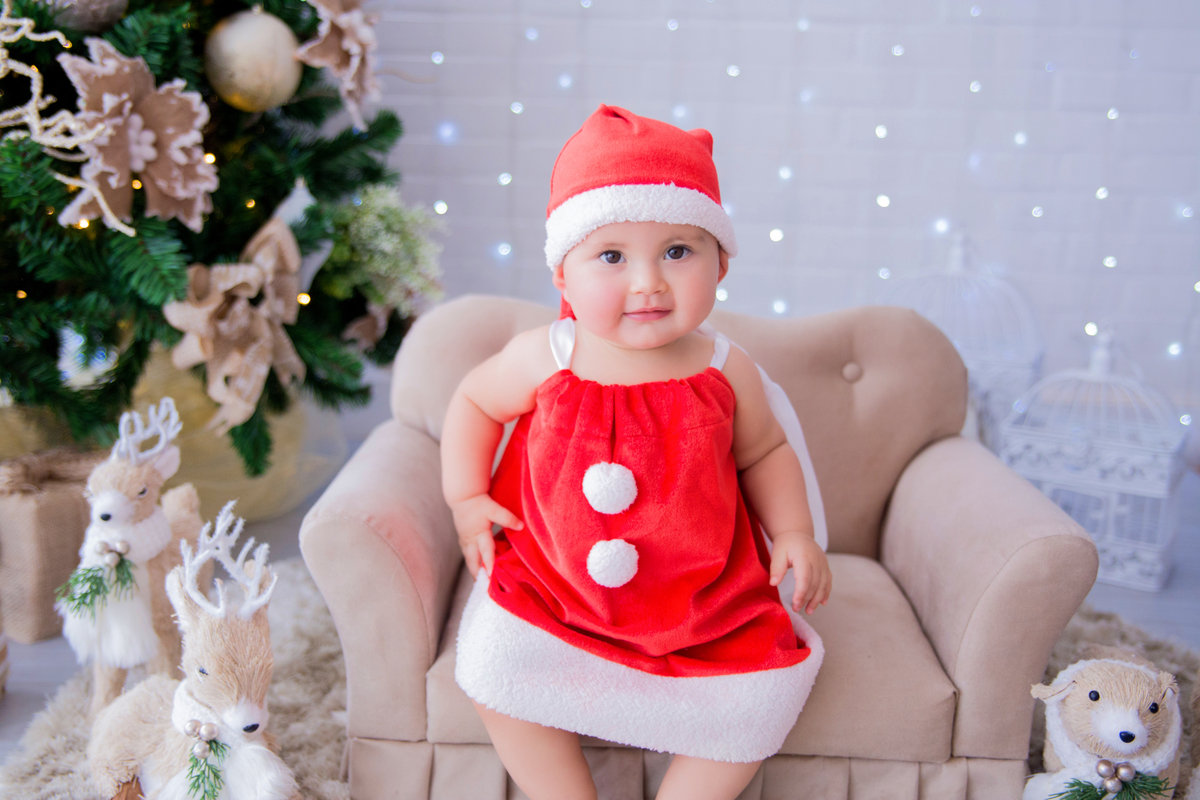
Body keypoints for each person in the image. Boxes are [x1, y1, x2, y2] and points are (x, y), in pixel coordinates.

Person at [441, 104, 831, 800]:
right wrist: (467, 500)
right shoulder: (546, 356)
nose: (648, 281)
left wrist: (795, 531)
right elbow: (473, 402)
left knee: (754, 704)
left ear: (722, 263)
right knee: (496, 670)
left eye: (678, 251)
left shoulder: (721, 368)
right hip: (557, 586)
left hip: (700, 599)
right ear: (564, 275)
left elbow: (766, 452)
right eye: (612, 256)